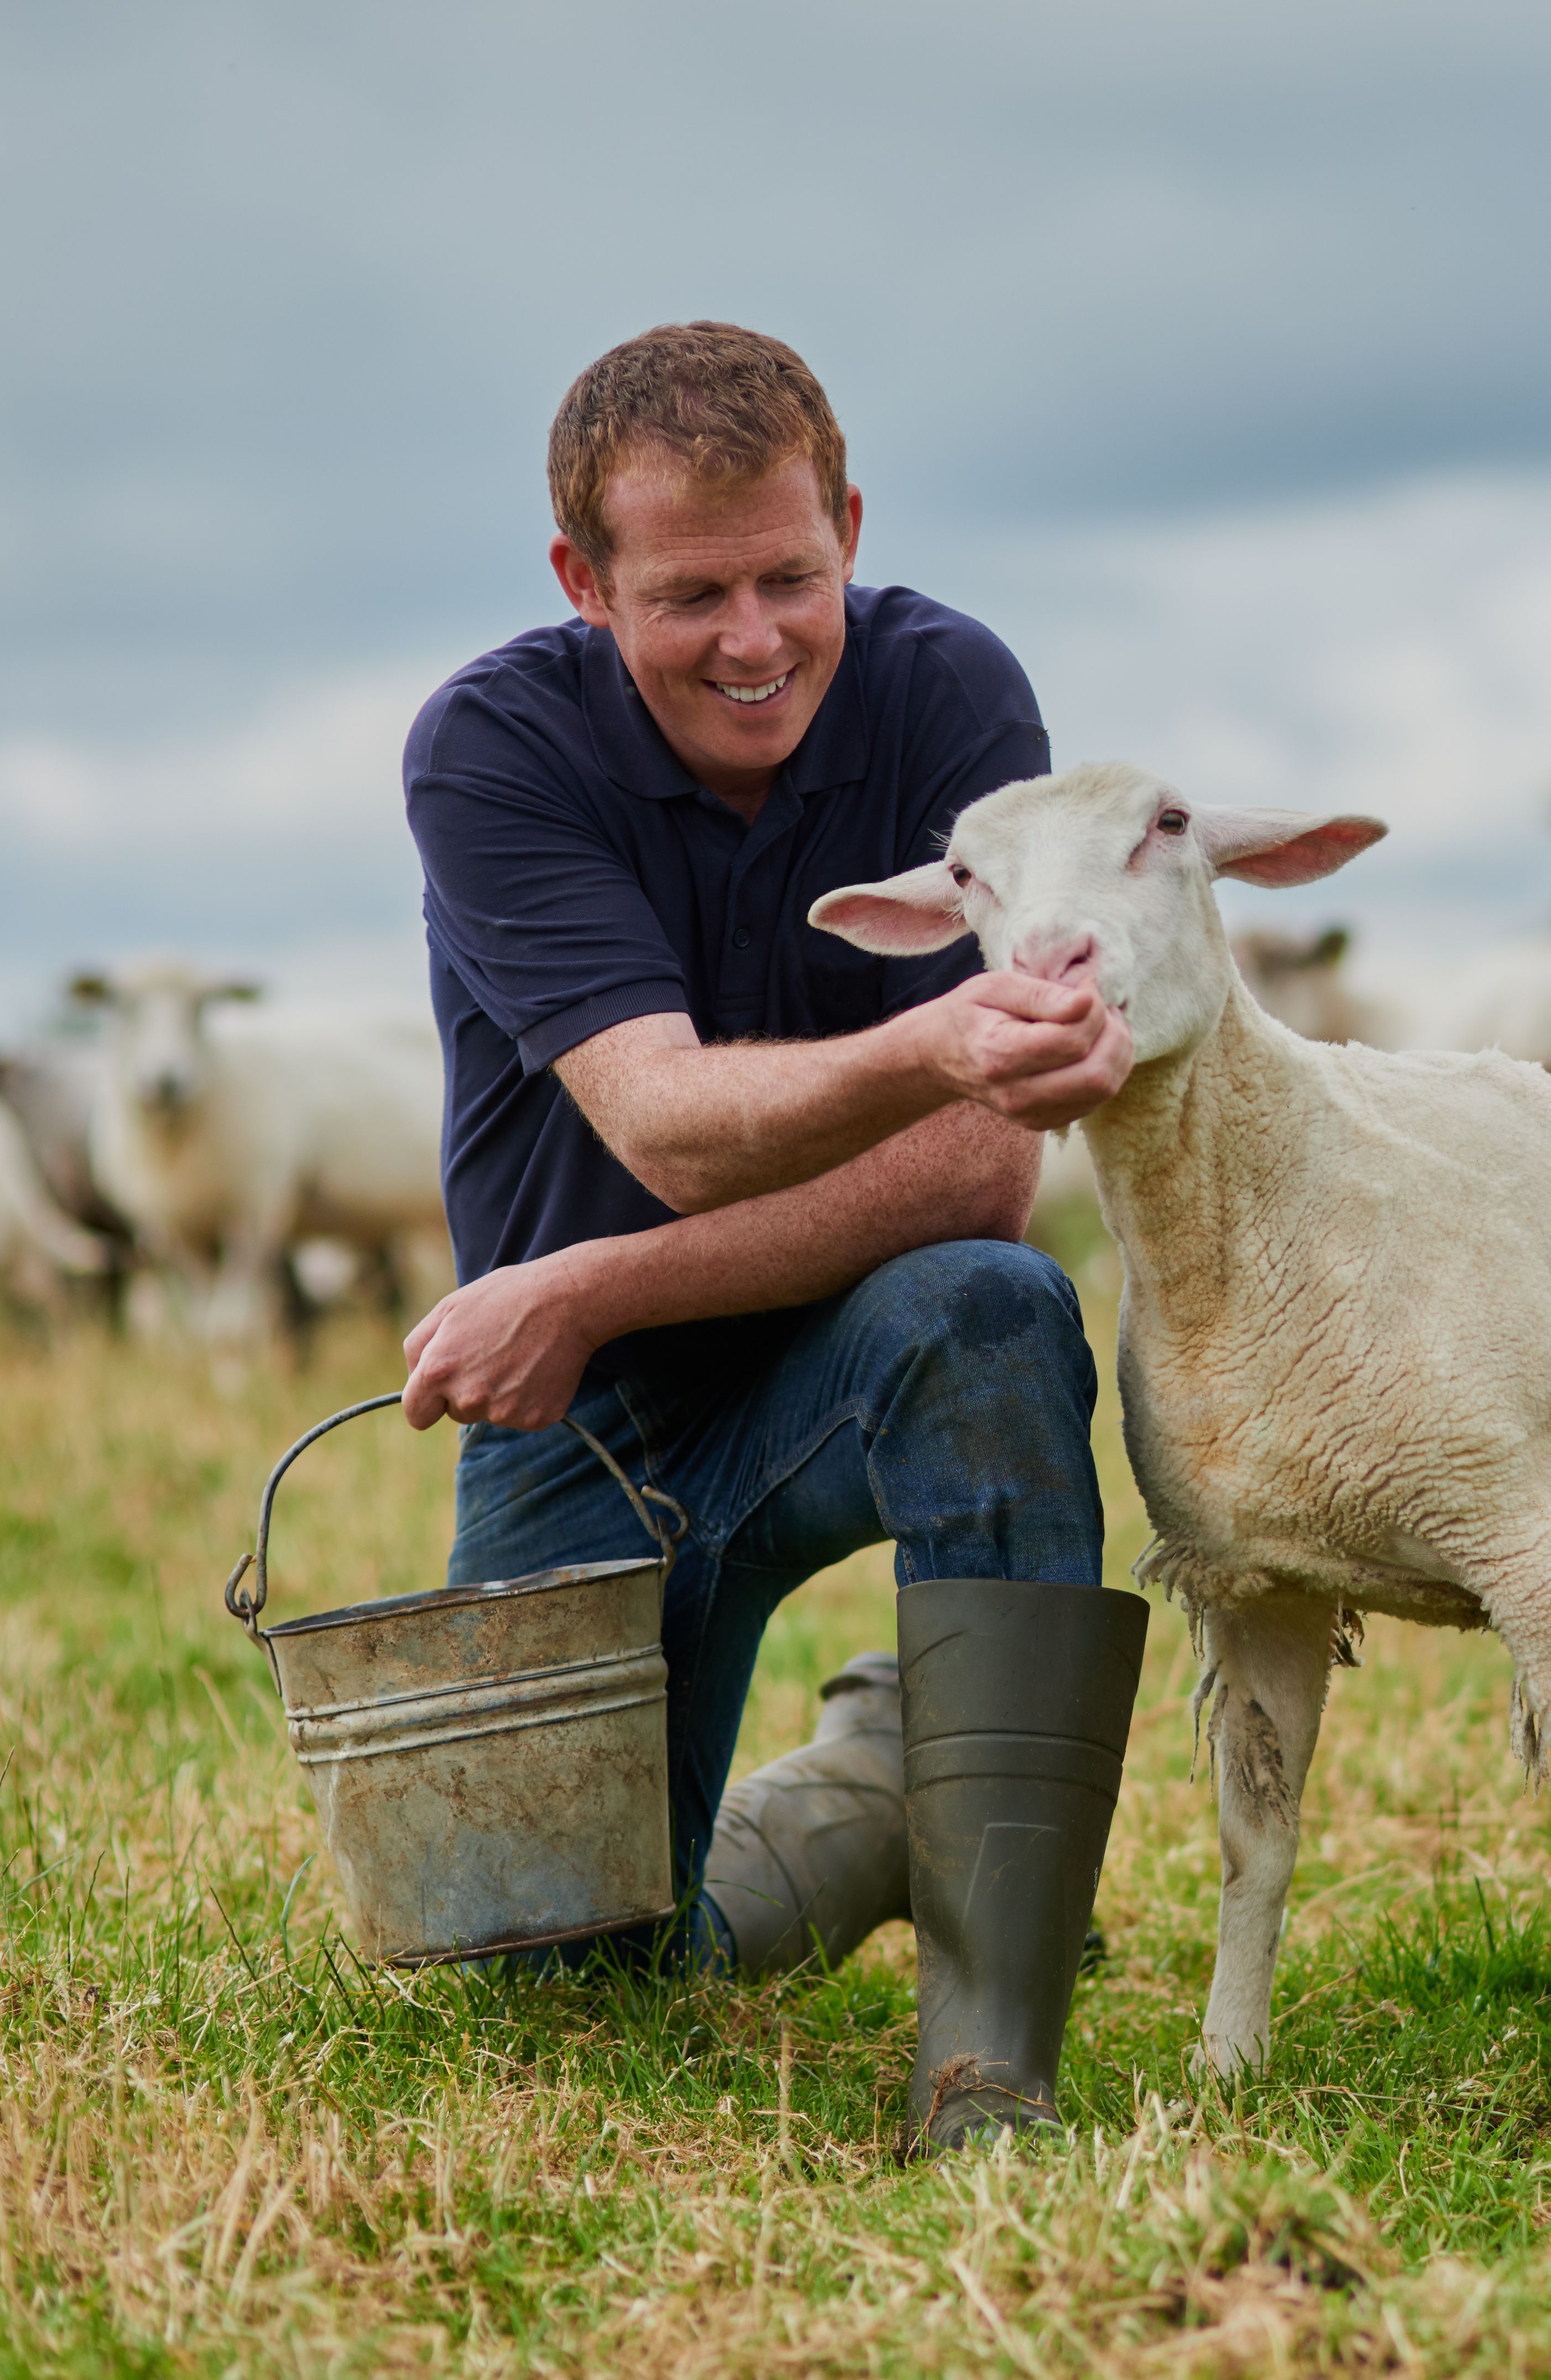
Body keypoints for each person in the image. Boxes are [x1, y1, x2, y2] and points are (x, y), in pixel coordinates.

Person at [395, 320, 1146, 2149]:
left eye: (792, 576)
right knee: (558, 1989)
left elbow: (984, 1179)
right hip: (584, 1422)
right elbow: (660, 1121)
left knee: (988, 1302)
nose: (755, 640)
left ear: (851, 529)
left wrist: (581, 1281)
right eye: (690, 593)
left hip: (826, 1350)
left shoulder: (951, 695)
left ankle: (990, 2066)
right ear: (585, 581)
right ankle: (888, 1789)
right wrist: (938, 1047)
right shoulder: (488, 749)